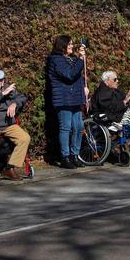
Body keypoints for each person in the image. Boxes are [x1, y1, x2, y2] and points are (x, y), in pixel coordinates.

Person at [47, 34, 87, 168]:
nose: (71, 46)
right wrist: (80, 60)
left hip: (76, 98)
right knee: (66, 127)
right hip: (63, 99)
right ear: (62, 46)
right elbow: (69, 75)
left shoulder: (72, 59)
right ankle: (65, 156)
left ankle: (75, 154)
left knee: (78, 127)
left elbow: (77, 77)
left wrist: (83, 89)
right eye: (69, 44)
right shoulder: (55, 60)